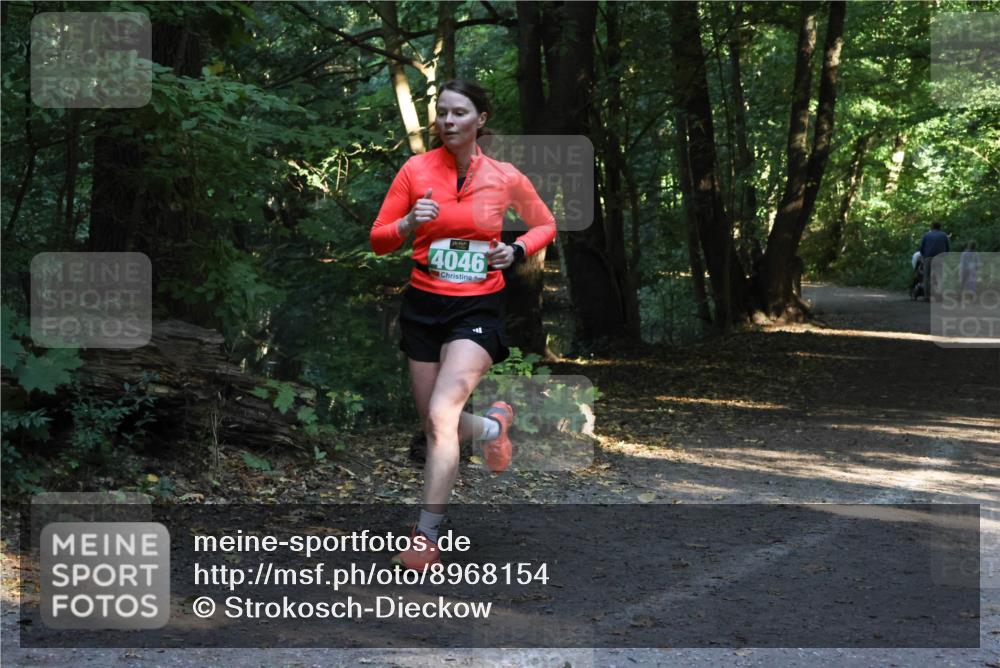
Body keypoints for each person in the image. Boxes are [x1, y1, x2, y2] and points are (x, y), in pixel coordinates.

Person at [369, 79, 557, 570]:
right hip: (423, 305)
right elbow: (378, 240)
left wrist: (515, 250)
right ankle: (494, 426)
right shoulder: (414, 170)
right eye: (442, 113)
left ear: (480, 120)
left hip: (476, 308)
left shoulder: (504, 175)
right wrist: (409, 223)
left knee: (441, 414)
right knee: (434, 422)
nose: (448, 122)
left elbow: (545, 224)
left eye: (458, 113)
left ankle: (426, 534)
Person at [918, 221, 950, 302]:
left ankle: (927, 296)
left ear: (932, 226)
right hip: (940, 258)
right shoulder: (944, 235)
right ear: (940, 227)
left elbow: (921, 248)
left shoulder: (926, 235)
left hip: (928, 258)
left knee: (927, 277)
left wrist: (923, 256)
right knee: (940, 277)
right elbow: (947, 248)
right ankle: (939, 296)